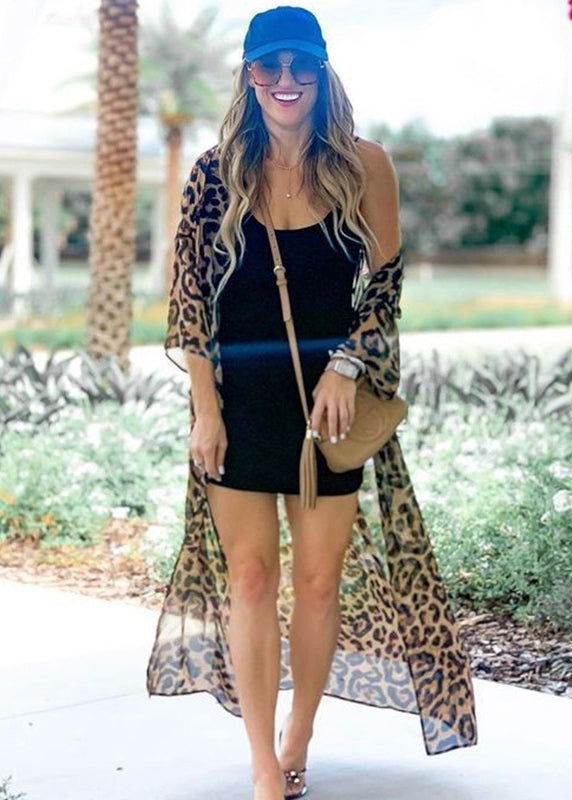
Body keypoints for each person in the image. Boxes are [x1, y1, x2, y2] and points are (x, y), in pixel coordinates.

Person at [146, 7, 478, 800]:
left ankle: (298, 739)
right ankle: (264, 765)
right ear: (250, 75)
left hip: (331, 406)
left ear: (323, 71)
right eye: (270, 66)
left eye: (302, 65)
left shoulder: (365, 166)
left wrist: (347, 366)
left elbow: (384, 287)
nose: (286, 81)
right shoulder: (214, 173)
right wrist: (205, 409)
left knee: (320, 584)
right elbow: (189, 302)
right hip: (240, 401)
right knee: (251, 579)